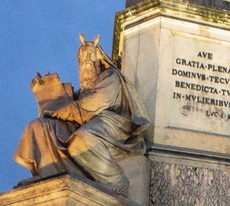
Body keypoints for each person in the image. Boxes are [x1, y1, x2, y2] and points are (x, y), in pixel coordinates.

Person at [14, 34, 149, 195]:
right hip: (85, 123)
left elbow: (96, 102)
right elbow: (67, 108)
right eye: (82, 57)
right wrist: (46, 93)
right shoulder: (82, 90)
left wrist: (65, 111)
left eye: (90, 56)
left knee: (82, 140)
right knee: (38, 126)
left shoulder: (110, 76)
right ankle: (46, 173)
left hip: (113, 124)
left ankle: (116, 180)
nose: (86, 60)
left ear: (99, 58)